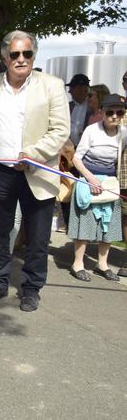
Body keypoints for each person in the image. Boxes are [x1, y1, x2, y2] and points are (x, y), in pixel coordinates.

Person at [0, 30, 69, 312]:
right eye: (15, 54)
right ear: (5, 57)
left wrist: (34, 154)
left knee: (38, 237)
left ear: (33, 56)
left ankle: (31, 288)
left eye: (27, 54)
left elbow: (60, 130)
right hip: (1, 173)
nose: (21, 59)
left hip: (38, 172)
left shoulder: (51, 85)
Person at [68, 94, 125, 282]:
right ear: (102, 112)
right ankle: (78, 263)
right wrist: (90, 178)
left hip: (109, 182)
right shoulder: (92, 130)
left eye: (119, 112)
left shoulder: (123, 133)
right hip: (88, 177)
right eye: (110, 112)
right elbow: (76, 158)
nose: (115, 116)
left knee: (109, 225)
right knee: (85, 224)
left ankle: (103, 264)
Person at [66, 73, 91, 146]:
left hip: (86, 149)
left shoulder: (92, 107)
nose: (69, 91)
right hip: (67, 149)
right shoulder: (66, 107)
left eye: (72, 88)